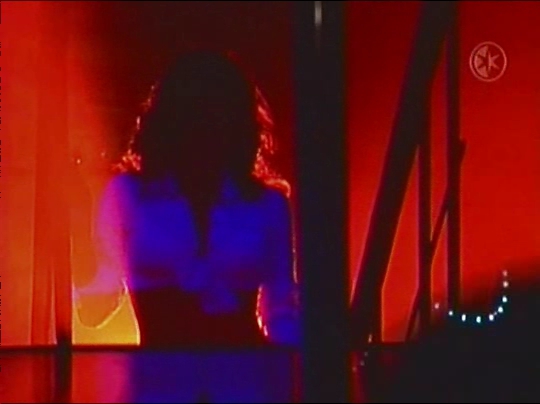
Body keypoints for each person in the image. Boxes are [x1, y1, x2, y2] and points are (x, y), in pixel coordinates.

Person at [75, 50, 300, 349]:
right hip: (159, 374)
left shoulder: (267, 205)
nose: (204, 128)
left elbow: (281, 310)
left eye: (217, 115)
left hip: (243, 372)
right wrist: (76, 228)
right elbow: (95, 308)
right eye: (193, 114)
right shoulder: (128, 196)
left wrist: (302, 358)